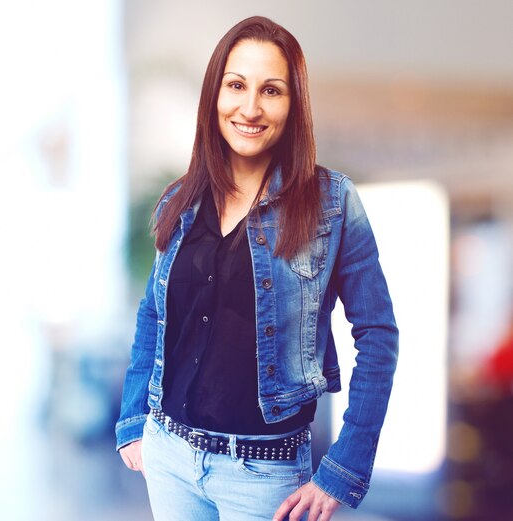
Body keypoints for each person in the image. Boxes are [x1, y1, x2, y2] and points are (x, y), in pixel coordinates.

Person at [116, 15, 398, 521]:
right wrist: (134, 418)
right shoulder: (178, 201)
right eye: (236, 85)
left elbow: (378, 335)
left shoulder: (333, 204)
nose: (250, 108)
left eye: (271, 90)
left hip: (265, 479)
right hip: (170, 460)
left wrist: (344, 467)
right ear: (214, 95)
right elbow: (153, 315)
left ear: (293, 106)